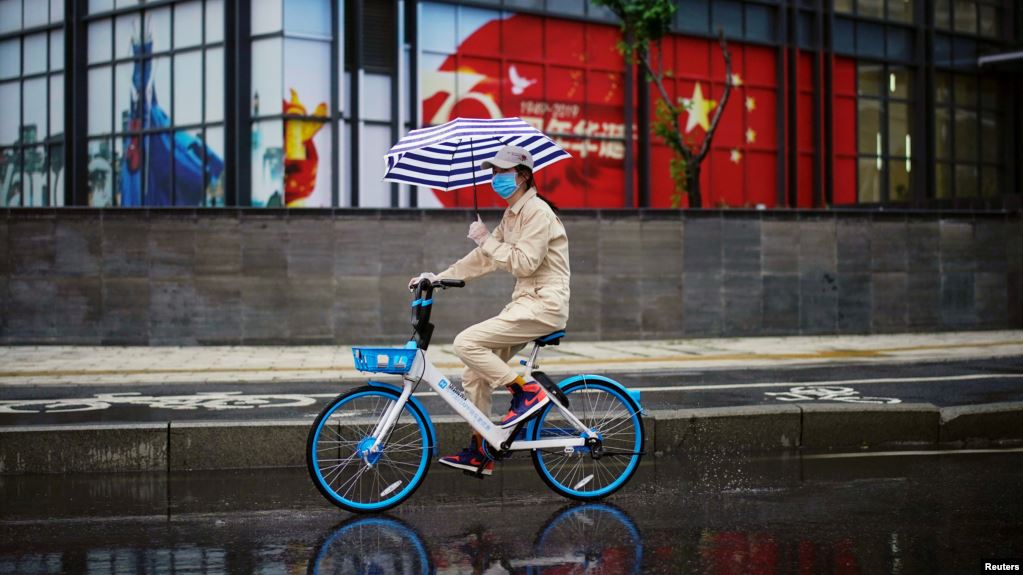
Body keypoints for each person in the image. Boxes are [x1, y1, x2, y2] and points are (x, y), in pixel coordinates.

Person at [407, 145, 570, 476]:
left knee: (466, 342)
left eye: (502, 172)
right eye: (493, 173)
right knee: (475, 374)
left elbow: (524, 263)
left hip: (544, 305)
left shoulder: (537, 212)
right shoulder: (513, 215)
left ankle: (526, 392)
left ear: (523, 176)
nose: (495, 178)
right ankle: (482, 450)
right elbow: (484, 259)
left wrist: (485, 239)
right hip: (526, 303)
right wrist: (437, 277)